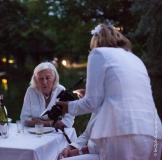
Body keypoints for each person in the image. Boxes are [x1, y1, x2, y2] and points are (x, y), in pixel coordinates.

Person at [57, 24, 162, 160]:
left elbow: (92, 103)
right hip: (154, 133)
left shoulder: (99, 53)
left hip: (122, 132)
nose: (91, 50)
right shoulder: (135, 59)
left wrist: (67, 107)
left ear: (96, 42)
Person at [20, 62, 74, 129]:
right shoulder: (31, 91)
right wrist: (54, 122)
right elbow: (24, 118)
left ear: (54, 79)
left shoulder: (61, 90)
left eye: (48, 78)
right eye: (41, 79)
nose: (44, 82)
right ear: (36, 80)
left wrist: (44, 123)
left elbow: (68, 121)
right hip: (35, 134)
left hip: (56, 135)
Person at [58, 89, 99, 160]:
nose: (79, 99)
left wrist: (76, 152)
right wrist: (68, 148)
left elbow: (100, 146)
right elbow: (86, 134)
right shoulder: (96, 109)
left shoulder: (110, 110)